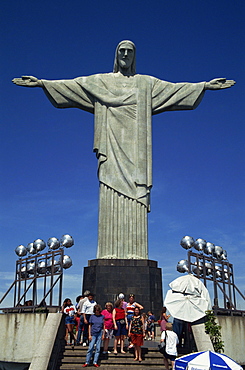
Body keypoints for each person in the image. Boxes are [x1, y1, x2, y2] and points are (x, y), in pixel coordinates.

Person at [12, 41, 235, 261]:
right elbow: (73, 86)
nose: (126, 54)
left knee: (136, 195)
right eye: (122, 51)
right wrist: (42, 83)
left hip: (136, 151)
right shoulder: (101, 81)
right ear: (116, 55)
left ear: (134, 56)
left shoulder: (146, 84)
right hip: (111, 146)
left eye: (130, 51)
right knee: (109, 191)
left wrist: (204, 85)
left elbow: (175, 90)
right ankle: (108, 251)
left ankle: (136, 254)